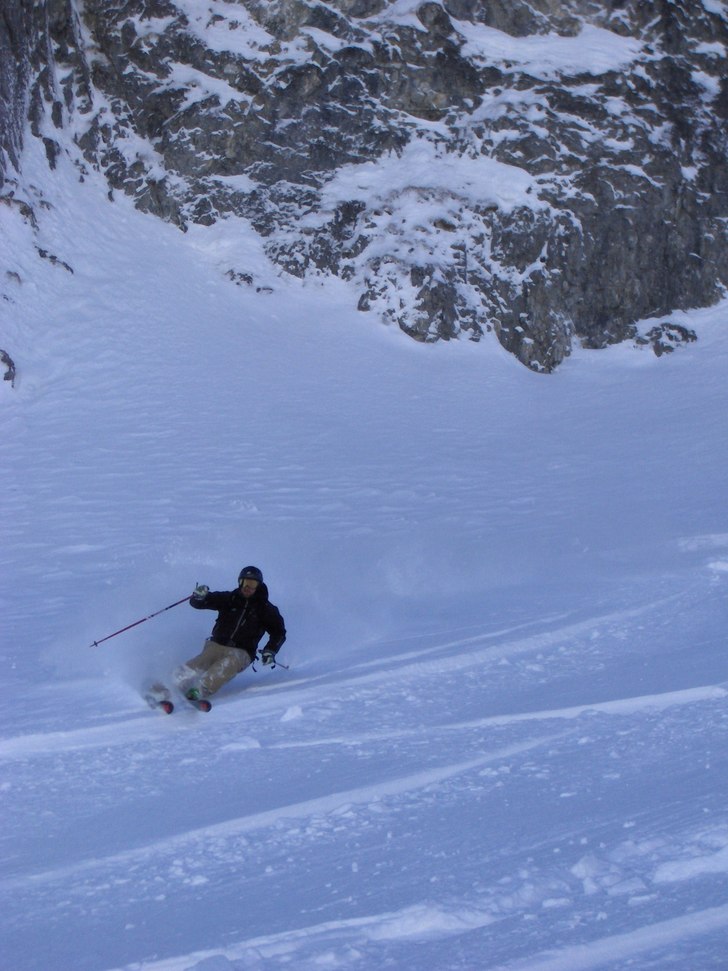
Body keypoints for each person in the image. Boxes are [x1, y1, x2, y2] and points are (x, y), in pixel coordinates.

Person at [177, 566, 286, 701]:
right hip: (217, 644)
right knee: (203, 659)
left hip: (242, 652)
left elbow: (279, 632)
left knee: (228, 663)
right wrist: (199, 597)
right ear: (239, 582)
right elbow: (200, 603)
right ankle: (175, 681)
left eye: (252, 584)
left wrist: (271, 650)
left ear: (258, 586)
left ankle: (200, 689)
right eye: (245, 582)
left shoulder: (266, 609)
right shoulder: (230, 598)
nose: (248, 587)